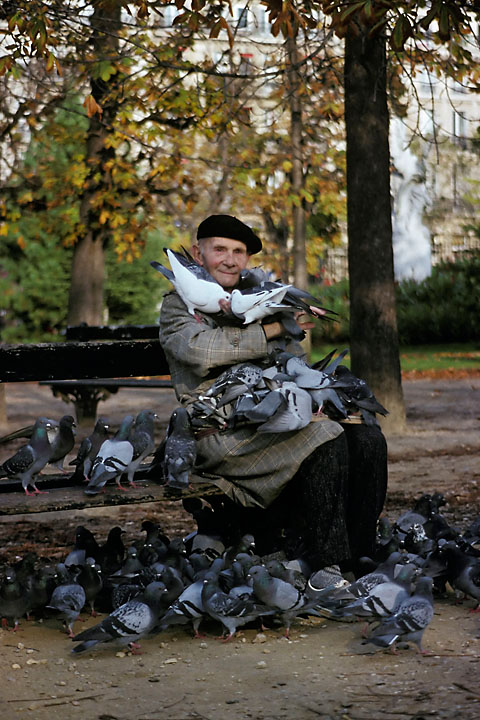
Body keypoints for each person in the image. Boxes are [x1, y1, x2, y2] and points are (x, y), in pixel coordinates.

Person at [159, 214, 387, 582]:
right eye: (220, 250)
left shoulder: (262, 297)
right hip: (218, 434)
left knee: (367, 439)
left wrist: (317, 399)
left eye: (239, 252)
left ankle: (357, 557)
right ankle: (322, 564)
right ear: (199, 255)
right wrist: (276, 328)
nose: (230, 260)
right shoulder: (179, 305)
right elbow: (201, 351)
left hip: (272, 424)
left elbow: (293, 362)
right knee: (325, 438)